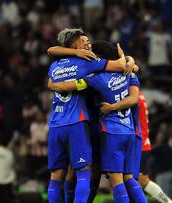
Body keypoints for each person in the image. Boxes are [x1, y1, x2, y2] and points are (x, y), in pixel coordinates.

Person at [48, 40, 147, 203]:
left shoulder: (94, 78)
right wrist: (130, 61)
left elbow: (68, 85)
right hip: (128, 131)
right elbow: (134, 98)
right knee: (127, 178)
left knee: (96, 175)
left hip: (105, 131)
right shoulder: (129, 73)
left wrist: (53, 84)